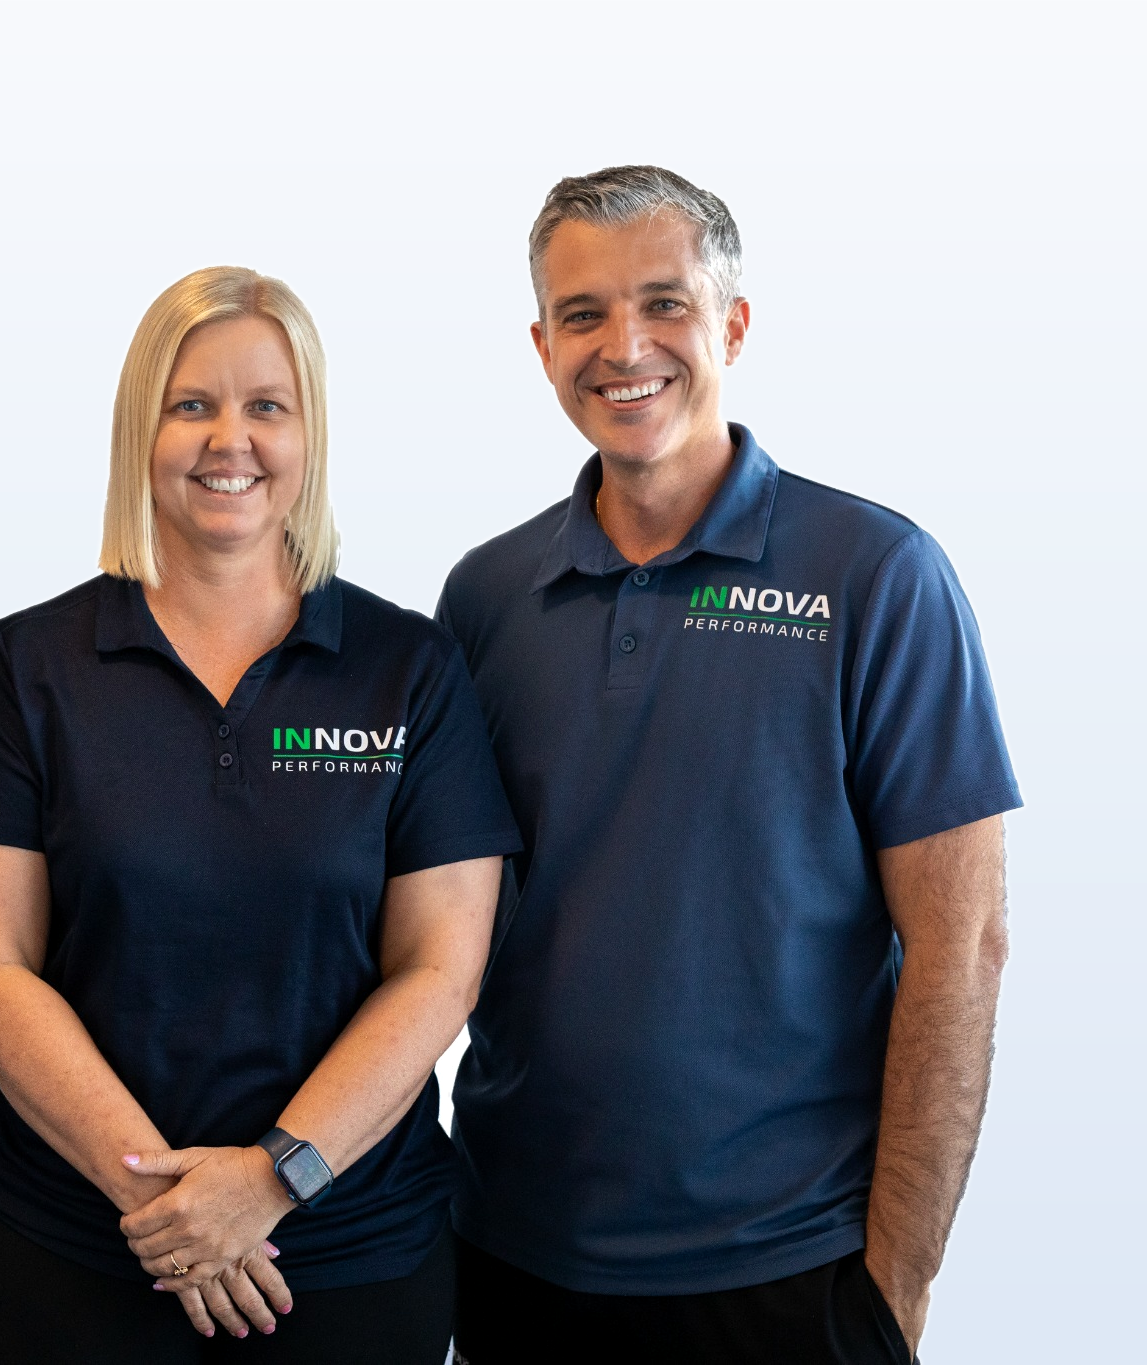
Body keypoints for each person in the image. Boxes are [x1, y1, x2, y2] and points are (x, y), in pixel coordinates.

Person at [437, 166, 1020, 1364]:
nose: (623, 347)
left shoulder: (875, 575)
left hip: (790, 1267)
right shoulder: (485, 596)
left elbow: (960, 945)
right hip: (514, 1253)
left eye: (663, 303)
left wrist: (893, 1285)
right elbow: (432, 922)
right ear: (540, 347)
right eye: (583, 314)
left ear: (733, 326)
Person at [0, 266, 519, 1364]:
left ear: (308, 434)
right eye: (189, 404)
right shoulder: (27, 667)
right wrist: (169, 1206)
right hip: (72, 1252)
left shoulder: (410, 669)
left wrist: (272, 1180)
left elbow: (440, 969)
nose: (227, 439)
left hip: (348, 1256)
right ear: (140, 430)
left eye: (265, 406)